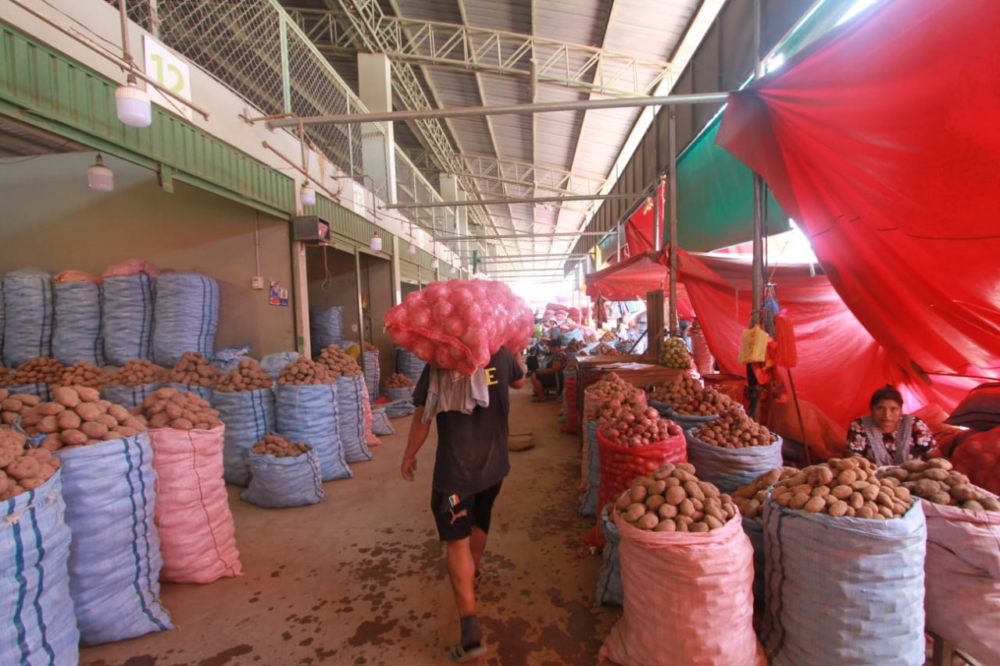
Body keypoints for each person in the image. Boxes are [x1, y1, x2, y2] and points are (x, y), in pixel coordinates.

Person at [401, 346, 525, 662]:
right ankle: (474, 572)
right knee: (481, 519)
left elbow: (423, 415)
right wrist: (517, 352)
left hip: (456, 476)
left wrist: (409, 454)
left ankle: (470, 631)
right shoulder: (500, 352)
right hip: (494, 466)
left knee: (457, 541)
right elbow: (520, 382)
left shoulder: (441, 359)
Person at [846, 385, 936, 466]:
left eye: (893, 409)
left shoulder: (914, 424)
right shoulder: (859, 425)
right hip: (874, 481)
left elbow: (935, 458)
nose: (886, 415)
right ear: (871, 410)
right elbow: (854, 462)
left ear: (901, 410)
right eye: (880, 408)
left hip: (913, 479)